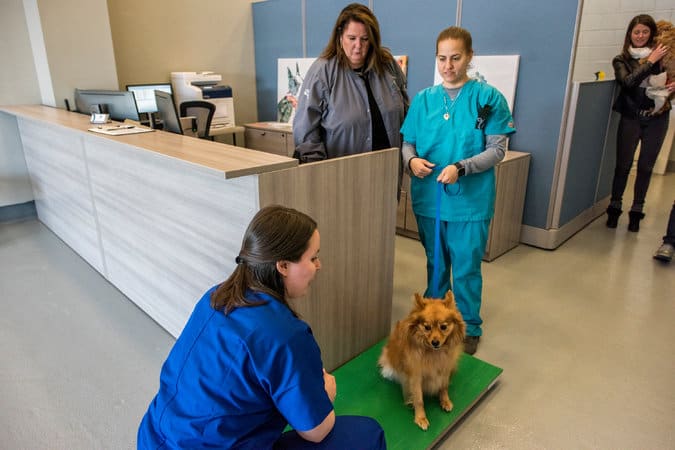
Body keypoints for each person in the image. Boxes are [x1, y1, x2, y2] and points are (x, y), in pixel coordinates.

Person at [137, 205, 386, 450]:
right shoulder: (286, 335)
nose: (318, 266)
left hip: (153, 436)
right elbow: (316, 431)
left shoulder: (214, 297)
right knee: (367, 434)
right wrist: (327, 394)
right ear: (283, 266)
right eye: (313, 258)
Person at [399, 26, 516, 355]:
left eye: (455, 57)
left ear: (469, 57)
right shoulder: (423, 100)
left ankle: (468, 326)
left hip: (470, 200)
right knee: (435, 264)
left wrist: (461, 167)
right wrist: (411, 162)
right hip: (430, 198)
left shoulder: (487, 98)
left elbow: (497, 150)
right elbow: (407, 143)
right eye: (441, 58)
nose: (448, 65)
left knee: (465, 266)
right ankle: (433, 323)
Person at [293, 3, 408, 163]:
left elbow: (406, 115)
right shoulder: (322, 72)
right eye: (352, 38)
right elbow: (306, 131)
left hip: (387, 171)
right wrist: (318, 171)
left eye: (365, 39)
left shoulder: (388, 66)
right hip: (343, 176)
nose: (358, 46)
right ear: (340, 37)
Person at [606, 14, 675, 232]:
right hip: (631, 116)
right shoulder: (621, 59)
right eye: (636, 32)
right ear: (629, 35)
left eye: (645, 31)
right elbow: (628, 82)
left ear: (652, 34)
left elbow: (669, 77)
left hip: (657, 117)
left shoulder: (664, 55)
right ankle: (614, 208)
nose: (640, 36)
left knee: (645, 167)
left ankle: (636, 211)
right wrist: (650, 61)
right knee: (623, 166)